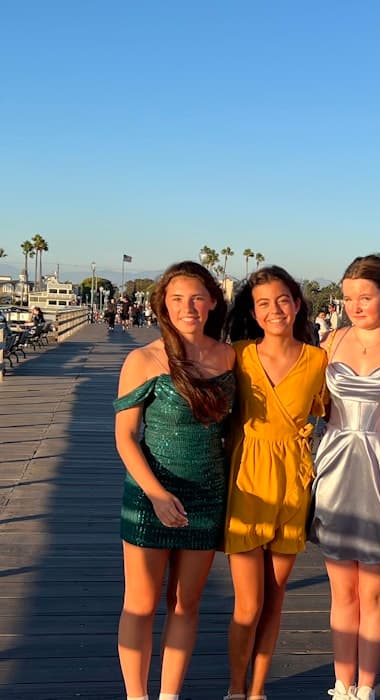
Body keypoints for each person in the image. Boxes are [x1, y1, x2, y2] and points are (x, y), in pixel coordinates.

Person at [308, 253, 380, 700]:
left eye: (365, 296)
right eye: (348, 298)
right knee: (342, 592)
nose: (355, 305)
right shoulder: (331, 342)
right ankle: (341, 685)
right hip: (336, 464)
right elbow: (309, 397)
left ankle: (367, 688)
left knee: (374, 593)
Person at [114, 261, 236, 700]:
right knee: (142, 604)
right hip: (150, 495)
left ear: (213, 302)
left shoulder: (227, 357)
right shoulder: (143, 359)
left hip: (207, 493)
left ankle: (169, 696)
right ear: (163, 304)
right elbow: (126, 437)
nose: (189, 307)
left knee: (185, 605)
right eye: (178, 299)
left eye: (198, 298)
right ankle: (136, 696)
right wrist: (157, 494)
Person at [223, 266, 327, 700]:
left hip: (293, 482)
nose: (274, 310)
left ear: (297, 304)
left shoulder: (319, 359)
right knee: (248, 604)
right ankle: (234, 688)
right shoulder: (238, 354)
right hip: (248, 478)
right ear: (254, 310)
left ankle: (258, 691)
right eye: (263, 303)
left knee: (276, 598)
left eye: (282, 300)